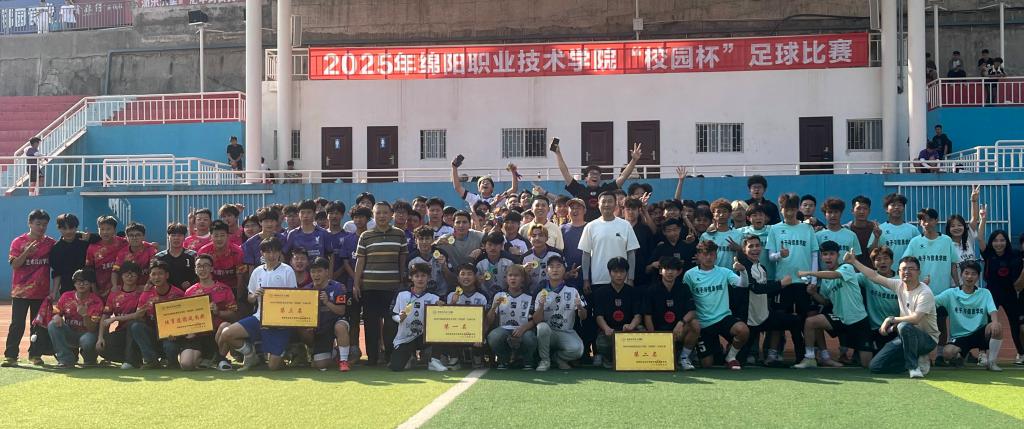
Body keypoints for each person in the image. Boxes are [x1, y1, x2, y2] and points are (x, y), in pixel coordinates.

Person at [846, 253, 938, 378]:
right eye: (903, 269)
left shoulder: (925, 292)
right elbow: (874, 276)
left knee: (904, 326)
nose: (907, 272)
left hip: (927, 340)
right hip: (905, 337)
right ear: (899, 272)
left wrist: (890, 319)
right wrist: (854, 261)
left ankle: (913, 367)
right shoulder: (898, 285)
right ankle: (914, 360)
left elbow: (915, 319)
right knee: (875, 366)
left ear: (918, 272)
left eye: (911, 269)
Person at [216, 236, 298, 371]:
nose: (271, 255)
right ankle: (250, 354)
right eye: (268, 252)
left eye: (275, 251)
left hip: (280, 322)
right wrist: (254, 295)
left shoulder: (287, 270)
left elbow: (294, 298)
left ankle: (285, 351)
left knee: (273, 367)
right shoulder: (257, 271)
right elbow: (250, 298)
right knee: (227, 334)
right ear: (262, 254)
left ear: (279, 253)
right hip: (259, 317)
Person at [794, 241, 874, 368]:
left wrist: (809, 273)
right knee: (811, 322)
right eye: (825, 254)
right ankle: (811, 358)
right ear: (821, 257)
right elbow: (825, 301)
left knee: (867, 364)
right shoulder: (825, 280)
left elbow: (835, 275)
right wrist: (814, 293)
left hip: (858, 321)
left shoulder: (846, 268)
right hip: (840, 319)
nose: (828, 257)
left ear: (838, 255)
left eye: (832, 254)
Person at [765, 193, 818, 364]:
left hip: (803, 283)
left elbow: (814, 255)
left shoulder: (807, 229)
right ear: (781, 210)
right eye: (785, 209)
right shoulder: (774, 229)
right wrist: (780, 254)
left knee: (804, 320)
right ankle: (773, 353)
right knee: (778, 318)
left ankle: (805, 355)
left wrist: (813, 280)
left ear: (797, 210)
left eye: (792, 209)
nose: (788, 213)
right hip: (783, 282)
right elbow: (770, 256)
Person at [353, 202, 408, 366]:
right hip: (370, 288)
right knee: (371, 325)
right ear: (373, 215)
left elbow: (402, 260)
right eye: (378, 213)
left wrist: (401, 281)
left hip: (392, 288)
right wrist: (356, 284)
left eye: (385, 213)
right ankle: (372, 358)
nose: (382, 216)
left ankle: (389, 356)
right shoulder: (366, 236)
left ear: (391, 215)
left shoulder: (399, 234)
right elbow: (360, 262)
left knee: (391, 324)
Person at [684, 241, 749, 370]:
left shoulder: (724, 272)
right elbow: (686, 298)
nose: (709, 257)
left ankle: (731, 357)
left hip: (723, 318)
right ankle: (715, 349)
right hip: (703, 323)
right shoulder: (689, 275)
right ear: (698, 255)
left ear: (716, 255)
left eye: (712, 254)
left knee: (743, 330)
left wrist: (743, 271)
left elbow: (743, 284)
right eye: (705, 254)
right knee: (707, 364)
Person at [904, 207, 960, 358]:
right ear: (920, 223)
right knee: (919, 323)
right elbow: (907, 263)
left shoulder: (946, 240)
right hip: (921, 292)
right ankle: (921, 354)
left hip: (942, 292)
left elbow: (953, 265)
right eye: (923, 220)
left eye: (930, 219)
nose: (926, 223)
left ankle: (940, 354)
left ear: (936, 221)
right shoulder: (915, 242)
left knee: (940, 323)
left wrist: (958, 285)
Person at [4, 209, 57, 367]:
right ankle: (11, 355)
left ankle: (35, 355)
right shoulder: (18, 242)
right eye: (38, 224)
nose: (41, 227)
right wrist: (26, 252)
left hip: (41, 293)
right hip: (20, 293)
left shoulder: (51, 243)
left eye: (44, 225)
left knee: (38, 326)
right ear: (30, 223)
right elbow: (15, 265)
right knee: (17, 324)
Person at [935, 261, 1002, 371]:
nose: (969, 276)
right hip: (960, 336)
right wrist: (923, 289)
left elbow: (993, 310)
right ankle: (960, 356)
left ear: (978, 276)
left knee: (997, 326)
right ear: (961, 275)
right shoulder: (950, 293)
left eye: (973, 274)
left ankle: (992, 362)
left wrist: (994, 322)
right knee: (947, 353)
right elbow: (932, 301)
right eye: (966, 273)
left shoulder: (985, 293)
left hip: (980, 333)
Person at [552, 140, 643, 221]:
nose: (595, 176)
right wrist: (558, 154)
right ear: (585, 178)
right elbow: (565, 172)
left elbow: (623, 176)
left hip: (603, 226)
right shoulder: (579, 190)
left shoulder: (606, 190)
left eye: (597, 174)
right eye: (592, 174)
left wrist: (634, 160)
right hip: (585, 227)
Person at [181, 254, 238, 371]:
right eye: (199, 266)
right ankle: (206, 359)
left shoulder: (224, 289)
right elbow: (185, 317)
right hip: (197, 334)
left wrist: (218, 312)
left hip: (217, 333)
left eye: (206, 265)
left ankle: (221, 359)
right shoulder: (189, 292)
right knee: (186, 364)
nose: (202, 269)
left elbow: (234, 315)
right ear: (195, 270)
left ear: (212, 268)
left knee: (226, 326)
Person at [643, 256, 700, 370]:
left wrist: (680, 323)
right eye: (667, 269)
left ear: (679, 272)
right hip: (659, 333)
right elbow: (647, 316)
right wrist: (653, 337)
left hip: (678, 332)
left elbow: (692, 311)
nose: (670, 272)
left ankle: (684, 358)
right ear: (660, 271)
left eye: (673, 269)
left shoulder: (684, 288)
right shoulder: (651, 290)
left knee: (695, 324)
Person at [388, 263, 446, 372]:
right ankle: (410, 357)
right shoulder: (402, 294)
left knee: (440, 331)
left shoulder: (434, 297)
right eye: (417, 276)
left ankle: (434, 361)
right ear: (411, 277)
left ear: (429, 278)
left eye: (423, 276)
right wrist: (400, 318)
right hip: (405, 337)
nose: (420, 279)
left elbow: (444, 316)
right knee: (396, 367)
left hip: (423, 336)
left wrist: (442, 306)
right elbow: (393, 313)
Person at [579, 192, 640, 293]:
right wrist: (586, 280)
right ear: (598, 204)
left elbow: (631, 253)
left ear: (616, 204)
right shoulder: (590, 226)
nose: (607, 204)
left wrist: (630, 278)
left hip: (622, 280)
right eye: (603, 202)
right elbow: (586, 254)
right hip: (598, 280)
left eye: (610, 201)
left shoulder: (625, 225)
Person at [533, 255, 587, 371]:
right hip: (548, 332)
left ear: (564, 270)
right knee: (542, 327)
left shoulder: (573, 289)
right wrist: (541, 306)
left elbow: (584, 317)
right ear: (547, 270)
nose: (555, 270)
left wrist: (579, 307)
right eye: (551, 267)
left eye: (558, 266)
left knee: (578, 350)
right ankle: (545, 360)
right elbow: (536, 320)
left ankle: (557, 358)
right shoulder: (540, 289)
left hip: (566, 332)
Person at [131, 261, 185, 369]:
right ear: (150, 277)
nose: (157, 277)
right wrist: (140, 314)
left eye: (160, 274)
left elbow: (184, 318)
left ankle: (173, 362)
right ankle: (151, 361)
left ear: (167, 275)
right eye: (153, 274)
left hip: (171, 335)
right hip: (153, 333)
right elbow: (139, 315)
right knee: (136, 326)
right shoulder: (146, 294)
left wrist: (177, 333)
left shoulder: (178, 293)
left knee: (170, 347)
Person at [981, 230, 1024, 365]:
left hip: (1010, 294)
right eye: (995, 240)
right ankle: (983, 354)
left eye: (1002, 240)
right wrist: (982, 220)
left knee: (1015, 324)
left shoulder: (1014, 254)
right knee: (986, 322)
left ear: (1007, 241)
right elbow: (980, 237)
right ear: (991, 242)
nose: (999, 243)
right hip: (991, 294)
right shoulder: (988, 253)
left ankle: (1021, 353)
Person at [303, 257, 353, 372]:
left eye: (319, 271)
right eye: (313, 272)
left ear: (326, 272)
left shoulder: (338, 287)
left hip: (336, 323)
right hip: (321, 329)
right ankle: (334, 353)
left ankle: (344, 361)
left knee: (340, 326)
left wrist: (327, 302)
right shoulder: (306, 290)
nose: (316, 275)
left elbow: (341, 311)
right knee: (319, 365)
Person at [591, 257, 642, 369]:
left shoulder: (634, 292)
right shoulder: (600, 292)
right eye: (615, 272)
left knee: (643, 333)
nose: (619, 275)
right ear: (610, 273)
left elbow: (638, 316)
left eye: (622, 272)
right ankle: (607, 358)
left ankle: (631, 359)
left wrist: (631, 326)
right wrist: (606, 329)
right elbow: (599, 316)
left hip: (627, 330)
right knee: (602, 343)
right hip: (609, 331)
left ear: (627, 273)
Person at [47, 269, 103, 369]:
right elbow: (55, 312)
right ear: (74, 283)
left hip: (88, 334)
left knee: (87, 340)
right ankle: (65, 360)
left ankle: (90, 358)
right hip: (70, 333)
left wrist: (85, 315)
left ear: (91, 284)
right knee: (52, 324)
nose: (81, 284)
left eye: (85, 282)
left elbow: (92, 328)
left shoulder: (96, 301)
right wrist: (56, 316)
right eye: (78, 281)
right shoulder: (66, 296)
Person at [486, 264, 538, 370]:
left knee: (530, 337)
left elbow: (534, 320)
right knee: (493, 336)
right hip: (503, 329)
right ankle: (503, 360)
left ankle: (527, 360)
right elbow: (489, 321)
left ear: (522, 279)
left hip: (523, 330)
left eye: (516, 275)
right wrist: (494, 307)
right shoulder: (498, 295)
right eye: (510, 275)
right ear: (506, 278)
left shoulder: (529, 297)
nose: (513, 278)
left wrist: (523, 328)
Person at [96, 261, 144, 369]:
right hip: (121, 331)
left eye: (133, 274)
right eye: (126, 274)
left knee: (133, 325)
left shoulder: (143, 292)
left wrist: (115, 318)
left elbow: (139, 315)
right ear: (121, 276)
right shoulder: (115, 293)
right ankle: (133, 359)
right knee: (102, 347)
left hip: (140, 330)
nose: (129, 277)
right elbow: (105, 316)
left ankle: (130, 361)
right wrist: (100, 337)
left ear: (138, 276)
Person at [445, 264, 489, 368]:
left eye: (469, 274)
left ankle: (477, 357)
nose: (466, 277)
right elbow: (446, 318)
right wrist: (452, 304)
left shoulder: (482, 296)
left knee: (482, 337)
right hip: (456, 329)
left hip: (475, 331)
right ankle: (454, 357)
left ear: (475, 277)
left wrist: (480, 335)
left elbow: (486, 320)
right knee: (445, 331)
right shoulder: (451, 295)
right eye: (463, 274)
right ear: (458, 278)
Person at [859, 247, 901, 352]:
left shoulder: (901, 280)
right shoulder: (867, 277)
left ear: (892, 261)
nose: (882, 262)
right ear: (873, 264)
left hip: (895, 328)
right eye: (878, 259)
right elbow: (847, 277)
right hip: (875, 329)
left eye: (886, 258)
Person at [50, 213, 98, 297]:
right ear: (58, 228)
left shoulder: (85, 238)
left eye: (71, 228)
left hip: (89, 289)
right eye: (64, 228)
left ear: (76, 227)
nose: (68, 231)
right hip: (68, 289)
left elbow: (104, 238)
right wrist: (54, 292)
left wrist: (89, 238)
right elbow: (57, 273)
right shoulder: (56, 249)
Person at [451, 156, 519, 208]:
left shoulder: (498, 198)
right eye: (482, 183)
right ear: (478, 188)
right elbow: (457, 187)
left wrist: (513, 172)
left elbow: (514, 189)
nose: (485, 183)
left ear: (492, 188)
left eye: (488, 183)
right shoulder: (473, 198)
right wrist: (454, 167)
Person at [86, 216, 127, 298]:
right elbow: (89, 270)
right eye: (102, 229)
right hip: (100, 290)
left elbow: (138, 243)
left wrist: (152, 245)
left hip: (121, 288)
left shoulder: (123, 242)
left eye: (108, 229)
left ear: (114, 230)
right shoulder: (92, 248)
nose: (105, 232)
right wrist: (95, 290)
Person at [112, 222, 158, 291]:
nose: (134, 238)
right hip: (127, 289)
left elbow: (154, 270)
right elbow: (115, 270)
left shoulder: (151, 250)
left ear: (143, 237)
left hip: (146, 288)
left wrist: (148, 284)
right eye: (131, 235)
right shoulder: (122, 253)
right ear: (126, 238)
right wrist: (114, 285)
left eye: (138, 235)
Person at [701, 199, 745, 269]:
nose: (721, 215)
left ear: (730, 214)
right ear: (713, 214)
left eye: (725, 211)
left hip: (731, 274)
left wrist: (739, 249)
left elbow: (748, 256)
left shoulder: (739, 234)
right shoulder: (706, 236)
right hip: (711, 274)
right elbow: (700, 256)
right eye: (718, 212)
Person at [155, 223, 199, 291]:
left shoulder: (193, 255)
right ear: (168, 237)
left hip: (189, 293)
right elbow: (155, 277)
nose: (176, 238)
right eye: (173, 235)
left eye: (179, 235)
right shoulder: (159, 257)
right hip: (166, 294)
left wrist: (191, 283)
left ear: (184, 237)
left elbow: (199, 275)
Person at [876, 193, 920, 260]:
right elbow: (872, 252)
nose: (896, 207)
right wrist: (876, 238)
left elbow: (920, 250)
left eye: (900, 205)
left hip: (907, 266)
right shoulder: (879, 229)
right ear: (886, 209)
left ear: (904, 208)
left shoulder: (913, 229)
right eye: (893, 205)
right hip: (887, 267)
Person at [522, 225, 563, 294]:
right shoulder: (525, 257)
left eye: (541, 235)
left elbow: (564, 274)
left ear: (546, 238)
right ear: (529, 238)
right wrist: (524, 272)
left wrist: (569, 274)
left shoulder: (557, 254)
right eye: (534, 236)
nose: (537, 238)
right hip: (532, 294)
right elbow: (522, 281)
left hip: (554, 293)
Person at [475, 232, 516, 298]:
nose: (493, 248)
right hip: (485, 297)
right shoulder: (480, 263)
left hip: (506, 296)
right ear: (484, 246)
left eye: (496, 245)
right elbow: (475, 284)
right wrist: (478, 281)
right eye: (490, 245)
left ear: (502, 246)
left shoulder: (509, 262)